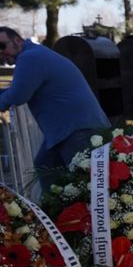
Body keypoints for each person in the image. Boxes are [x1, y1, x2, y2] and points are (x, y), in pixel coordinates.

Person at [0, 27, 110, 169]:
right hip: (70, 129)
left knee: (83, 182)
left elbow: (18, 95)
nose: (1, 52)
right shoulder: (37, 53)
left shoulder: (30, 57)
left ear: (17, 40)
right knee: (44, 166)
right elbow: (20, 89)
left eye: (2, 46)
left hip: (77, 131)